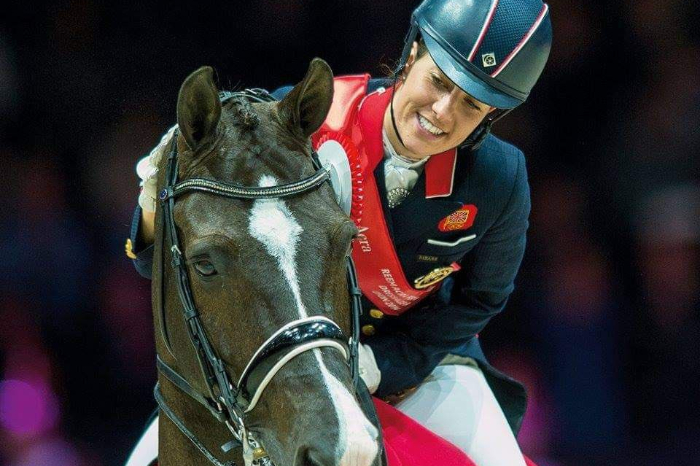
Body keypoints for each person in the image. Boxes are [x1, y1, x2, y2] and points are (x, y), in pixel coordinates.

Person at [124, 0, 552, 465]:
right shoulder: (300, 123)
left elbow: (481, 300)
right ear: (412, 55)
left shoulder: (499, 179)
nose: (443, 112)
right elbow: (164, 261)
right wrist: (151, 204)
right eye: (438, 81)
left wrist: (385, 364)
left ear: (491, 115)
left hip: (421, 371)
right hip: (283, 358)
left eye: (470, 104)